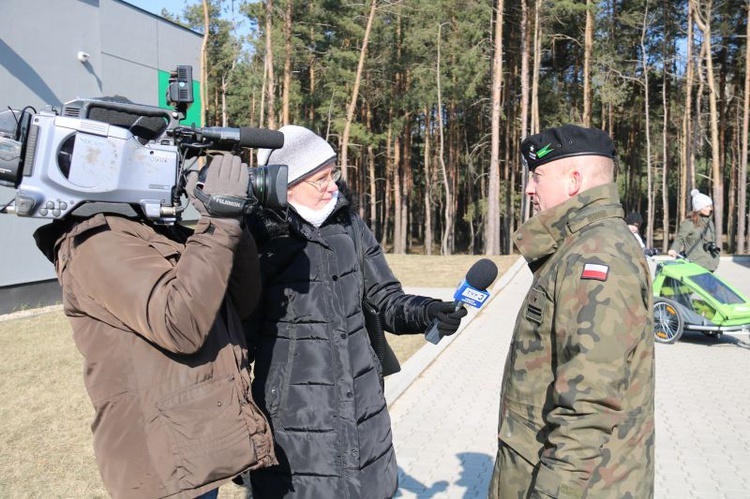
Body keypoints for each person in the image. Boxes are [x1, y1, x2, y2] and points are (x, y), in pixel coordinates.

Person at [32, 154, 277, 498]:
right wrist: (218, 220)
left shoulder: (158, 229)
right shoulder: (96, 242)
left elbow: (241, 302)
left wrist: (235, 221)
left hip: (193, 455)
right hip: (160, 469)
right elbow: (180, 324)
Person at [244, 125, 468, 499]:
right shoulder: (258, 237)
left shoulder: (349, 223)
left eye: (333, 173)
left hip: (363, 408)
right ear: (286, 185)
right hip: (294, 424)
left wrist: (428, 311)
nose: (332, 186)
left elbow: (386, 297)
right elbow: (238, 344)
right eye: (321, 178)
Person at [488, 124, 655, 499]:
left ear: (574, 181)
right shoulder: (576, 245)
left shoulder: (596, 255)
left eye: (538, 177)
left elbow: (588, 405)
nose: (530, 189)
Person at [667, 189, 719, 272]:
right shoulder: (689, 223)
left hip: (710, 264)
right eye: (707, 206)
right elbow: (680, 238)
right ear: (699, 208)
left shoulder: (710, 223)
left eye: (710, 206)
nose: (710, 208)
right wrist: (674, 249)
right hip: (696, 264)